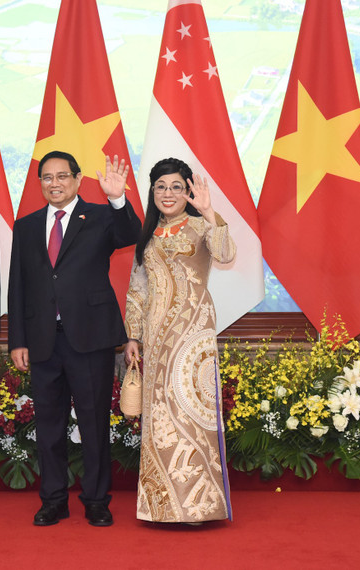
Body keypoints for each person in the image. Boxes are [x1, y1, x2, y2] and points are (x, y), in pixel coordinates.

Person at [8, 151, 141, 527]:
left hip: (90, 338)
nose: (55, 183)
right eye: (47, 178)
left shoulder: (100, 216)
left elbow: (131, 234)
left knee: (93, 423)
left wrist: (117, 198)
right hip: (43, 340)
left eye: (62, 176)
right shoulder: (27, 225)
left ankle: (97, 499)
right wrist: (17, 339)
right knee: (49, 425)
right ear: (40, 183)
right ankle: (53, 499)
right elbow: (17, 285)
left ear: (78, 179)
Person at [123, 157, 235, 524]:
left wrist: (209, 211)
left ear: (188, 191)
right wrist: (133, 336)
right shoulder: (148, 234)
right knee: (160, 416)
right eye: (160, 187)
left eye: (175, 187)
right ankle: (163, 506)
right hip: (156, 338)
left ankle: (199, 506)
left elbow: (226, 254)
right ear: (152, 192)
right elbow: (138, 290)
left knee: (190, 412)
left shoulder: (203, 226)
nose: (168, 193)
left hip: (193, 336)